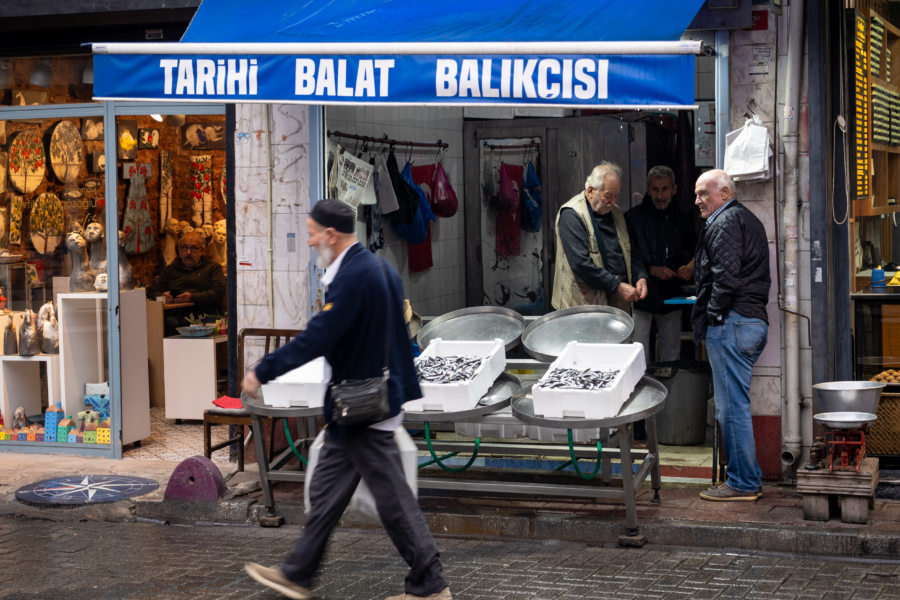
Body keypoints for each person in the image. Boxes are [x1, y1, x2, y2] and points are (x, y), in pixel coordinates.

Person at [241, 199, 451, 600]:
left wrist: (262, 371)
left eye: (312, 233)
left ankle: (431, 585)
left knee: (393, 501)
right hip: (364, 401)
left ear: (331, 235)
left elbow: (320, 335)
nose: (309, 240)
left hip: (363, 406)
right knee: (326, 492)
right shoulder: (378, 267)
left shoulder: (353, 276)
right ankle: (297, 573)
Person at [692, 170, 770, 502]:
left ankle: (742, 483)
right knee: (735, 404)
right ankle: (746, 478)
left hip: (732, 323)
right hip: (750, 322)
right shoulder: (746, 219)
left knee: (730, 408)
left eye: (703, 194)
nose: (697, 201)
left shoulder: (724, 223)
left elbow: (725, 277)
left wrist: (713, 315)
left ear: (724, 193)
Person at [551, 162, 648, 314]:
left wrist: (640, 276)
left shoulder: (617, 214)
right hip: (583, 306)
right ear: (590, 190)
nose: (613, 202)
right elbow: (581, 264)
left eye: (616, 196)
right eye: (608, 196)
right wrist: (617, 286)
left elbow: (631, 251)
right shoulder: (572, 214)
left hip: (616, 302)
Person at [626, 165, 697, 362]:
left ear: (674, 189)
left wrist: (690, 266)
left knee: (671, 352)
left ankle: (671, 392)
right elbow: (629, 253)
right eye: (655, 189)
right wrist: (651, 270)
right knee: (638, 352)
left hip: (672, 293)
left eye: (664, 189)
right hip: (641, 294)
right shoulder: (633, 218)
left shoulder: (682, 218)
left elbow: (699, 247)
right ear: (648, 189)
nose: (659, 195)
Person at [150, 230, 226, 335]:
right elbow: (153, 292)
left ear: (202, 251)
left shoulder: (213, 268)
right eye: (184, 248)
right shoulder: (170, 270)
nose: (188, 252)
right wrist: (163, 297)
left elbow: (218, 292)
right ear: (179, 250)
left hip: (205, 315)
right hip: (175, 317)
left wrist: (192, 297)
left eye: (193, 248)